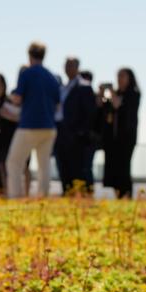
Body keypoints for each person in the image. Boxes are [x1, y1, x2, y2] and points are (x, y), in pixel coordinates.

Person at [5, 41, 60, 198]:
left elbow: (17, 99)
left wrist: (11, 98)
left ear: (29, 55)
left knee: (14, 163)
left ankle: (15, 197)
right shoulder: (52, 77)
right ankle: (43, 198)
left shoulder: (27, 73)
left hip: (29, 125)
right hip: (49, 127)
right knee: (44, 165)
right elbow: (57, 105)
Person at [55, 57, 98, 194]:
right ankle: (67, 194)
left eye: (71, 65)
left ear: (77, 67)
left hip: (76, 136)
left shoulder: (84, 86)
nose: (68, 68)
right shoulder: (62, 88)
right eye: (66, 65)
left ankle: (84, 198)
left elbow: (90, 113)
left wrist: (80, 132)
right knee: (63, 168)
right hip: (60, 133)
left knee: (79, 170)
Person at [101, 68, 142, 199]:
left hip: (127, 138)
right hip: (113, 139)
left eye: (122, 76)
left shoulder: (133, 94)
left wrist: (112, 93)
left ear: (130, 78)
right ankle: (118, 194)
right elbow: (107, 110)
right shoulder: (116, 94)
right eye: (118, 76)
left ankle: (126, 195)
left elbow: (120, 106)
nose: (119, 79)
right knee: (114, 168)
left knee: (124, 167)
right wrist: (102, 95)